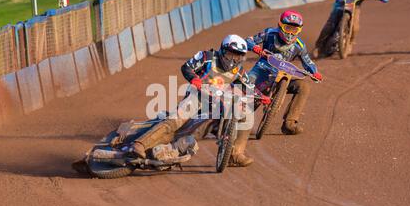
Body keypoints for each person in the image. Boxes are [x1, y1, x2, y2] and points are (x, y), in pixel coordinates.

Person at [129, 34, 271, 167]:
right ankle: (140, 144)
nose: (233, 60)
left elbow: (250, 87)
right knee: (175, 121)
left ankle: (235, 154)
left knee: (245, 112)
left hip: (216, 105)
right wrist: (194, 78)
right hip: (197, 95)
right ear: (223, 50)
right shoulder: (207, 57)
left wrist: (262, 96)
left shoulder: (239, 71)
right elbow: (187, 67)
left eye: (238, 57)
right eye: (230, 55)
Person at [246, 10, 322, 135]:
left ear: (299, 30)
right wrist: (255, 47)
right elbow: (248, 40)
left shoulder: (299, 46)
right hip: (262, 70)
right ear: (280, 25)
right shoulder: (269, 33)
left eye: (294, 30)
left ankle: (290, 123)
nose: (290, 33)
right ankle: (220, 120)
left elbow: (308, 62)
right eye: (288, 28)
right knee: (244, 86)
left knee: (304, 86)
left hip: (284, 75)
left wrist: (315, 72)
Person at [313, 0, 389, 58]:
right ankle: (318, 46)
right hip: (342, 2)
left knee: (355, 27)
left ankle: (350, 43)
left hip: (355, 7)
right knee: (330, 24)